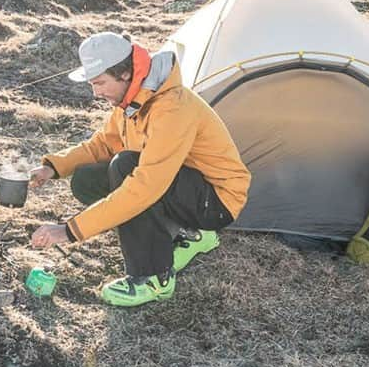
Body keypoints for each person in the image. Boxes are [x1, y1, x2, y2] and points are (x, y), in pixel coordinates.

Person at [28, 32, 251, 307]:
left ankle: (154, 277)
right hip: (180, 184)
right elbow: (102, 144)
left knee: (126, 168)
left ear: (123, 74)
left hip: (216, 200)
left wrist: (69, 230)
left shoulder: (172, 107)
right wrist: (53, 167)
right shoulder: (133, 98)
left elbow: (144, 186)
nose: (95, 92)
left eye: (100, 83)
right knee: (87, 179)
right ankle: (186, 234)